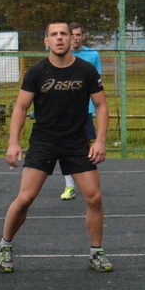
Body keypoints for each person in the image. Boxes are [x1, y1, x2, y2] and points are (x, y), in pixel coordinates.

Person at [0, 20, 111, 274]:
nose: (59, 38)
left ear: (72, 39)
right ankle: (5, 244)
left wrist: (100, 140)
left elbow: (102, 106)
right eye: (53, 34)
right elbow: (21, 108)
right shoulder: (37, 72)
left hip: (76, 142)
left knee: (94, 197)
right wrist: (13, 142)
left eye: (64, 34)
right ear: (46, 41)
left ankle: (96, 253)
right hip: (44, 142)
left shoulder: (86, 70)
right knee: (25, 198)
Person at [60, 22, 102, 200]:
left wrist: (94, 107)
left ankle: (89, 183)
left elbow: (98, 85)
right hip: (63, 112)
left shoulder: (92, 55)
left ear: (83, 36)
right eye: (73, 34)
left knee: (84, 149)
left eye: (78, 34)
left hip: (85, 112)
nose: (75, 38)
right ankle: (69, 186)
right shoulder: (62, 54)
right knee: (63, 148)